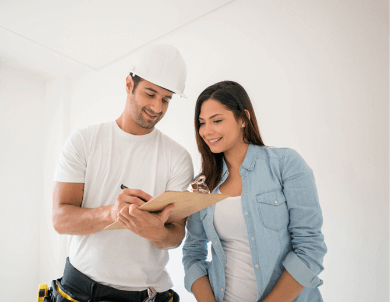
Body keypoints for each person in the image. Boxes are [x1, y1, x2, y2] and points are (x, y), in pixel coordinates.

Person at [51, 44, 193, 302]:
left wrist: (156, 232)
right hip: (82, 292)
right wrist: (112, 214)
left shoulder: (178, 158)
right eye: (150, 94)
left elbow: (176, 235)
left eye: (166, 99)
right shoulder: (84, 142)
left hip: (150, 295)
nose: (157, 107)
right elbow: (60, 219)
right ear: (129, 84)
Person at [182, 81, 327, 302]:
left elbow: (310, 249)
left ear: (243, 118)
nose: (207, 131)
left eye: (217, 120)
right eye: (201, 123)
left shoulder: (286, 164)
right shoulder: (201, 185)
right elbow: (193, 254)